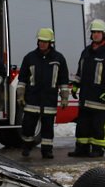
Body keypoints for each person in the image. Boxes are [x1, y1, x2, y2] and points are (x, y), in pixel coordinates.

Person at [68, 19, 105, 158]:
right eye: (93, 32)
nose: (95, 35)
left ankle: (98, 149)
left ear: (104, 34)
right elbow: (80, 71)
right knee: (82, 126)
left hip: (100, 98)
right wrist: (75, 85)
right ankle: (81, 148)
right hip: (86, 97)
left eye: (98, 32)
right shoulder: (86, 51)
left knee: (98, 126)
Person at [18, 28, 70, 159]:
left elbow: (63, 80)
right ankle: (26, 146)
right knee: (28, 125)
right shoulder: (29, 57)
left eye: (45, 41)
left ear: (50, 42)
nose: (42, 43)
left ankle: (47, 150)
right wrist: (20, 95)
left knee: (48, 128)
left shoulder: (59, 59)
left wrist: (64, 98)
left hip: (49, 99)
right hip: (32, 98)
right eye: (40, 41)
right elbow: (22, 79)